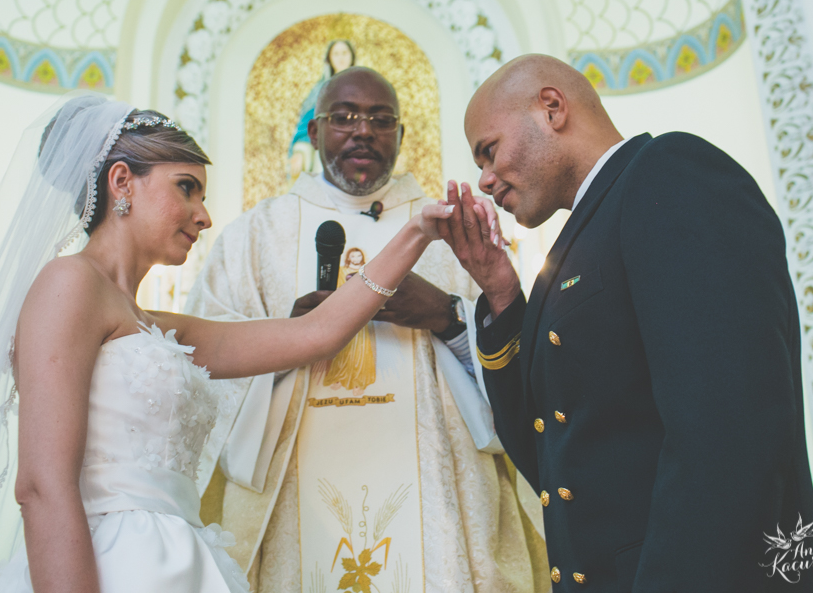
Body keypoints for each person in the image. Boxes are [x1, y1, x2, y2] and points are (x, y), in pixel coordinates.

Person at [0, 94, 453, 593]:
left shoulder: (157, 326)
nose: (204, 216)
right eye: (186, 188)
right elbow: (41, 485)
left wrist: (417, 233)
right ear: (121, 183)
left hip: (179, 562)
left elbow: (316, 334)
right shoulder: (67, 285)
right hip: (106, 564)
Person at [439, 54, 813, 591]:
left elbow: (728, 435)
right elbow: (555, 461)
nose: (482, 180)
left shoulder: (670, 173)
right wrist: (503, 292)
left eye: (489, 151)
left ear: (551, 107)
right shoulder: (581, 236)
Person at [186, 67, 549, 592]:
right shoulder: (257, 235)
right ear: (313, 133)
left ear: (401, 136)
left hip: (434, 490)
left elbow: (519, 361)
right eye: (344, 117)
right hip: (295, 492)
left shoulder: (449, 227)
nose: (363, 131)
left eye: (381, 120)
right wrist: (286, 338)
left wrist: (446, 315)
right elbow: (201, 370)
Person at [287, 39, 356, 181]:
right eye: (336, 54)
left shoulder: (364, 87)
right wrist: (301, 150)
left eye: (344, 53)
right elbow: (308, 122)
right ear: (330, 59)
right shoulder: (321, 89)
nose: (341, 57)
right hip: (327, 146)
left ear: (352, 56)